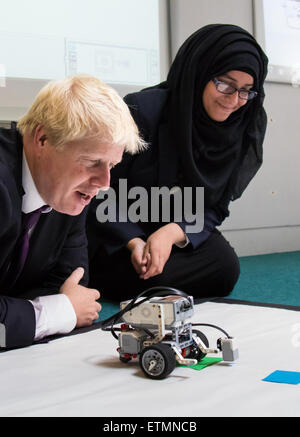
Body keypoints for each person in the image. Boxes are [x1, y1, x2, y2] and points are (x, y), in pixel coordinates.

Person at [86, 24, 268, 302]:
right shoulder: (143, 110)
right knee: (148, 272)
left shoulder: (243, 123)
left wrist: (172, 233)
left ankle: (150, 281)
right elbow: (100, 191)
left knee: (225, 266)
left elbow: (215, 205)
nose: (234, 100)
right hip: (118, 230)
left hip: (177, 228)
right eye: (225, 84)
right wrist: (134, 240)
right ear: (200, 72)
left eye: (246, 90)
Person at [0, 74, 144, 349]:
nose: (104, 183)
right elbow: (67, 306)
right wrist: (55, 314)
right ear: (42, 138)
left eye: (111, 165)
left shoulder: (65, 192)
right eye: (92, 162)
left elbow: (69, 286)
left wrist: (22, 314)